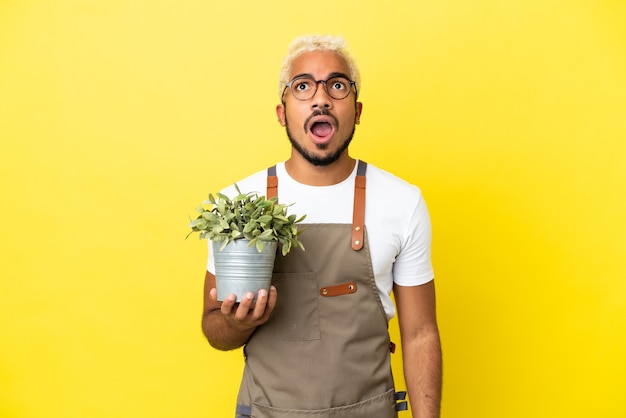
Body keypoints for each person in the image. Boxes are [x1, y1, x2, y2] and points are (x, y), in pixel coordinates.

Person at [201, 34, 442, 418]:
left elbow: (420, 334)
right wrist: (236, 323)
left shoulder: (402, 201)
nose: (321, 98)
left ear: (357, 109)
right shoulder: (239, 205)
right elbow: (214, 329)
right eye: (302, 86)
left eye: (337, 85)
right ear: (282, 113)